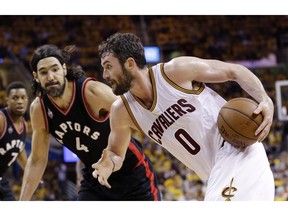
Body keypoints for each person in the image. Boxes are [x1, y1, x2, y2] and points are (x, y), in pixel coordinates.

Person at [92, 32, 275, 201]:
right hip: (215, 172)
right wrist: (110, 164)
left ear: (130, 63)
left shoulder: (174, 72)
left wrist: (265, 99)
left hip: (237, 150)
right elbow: (116, 153)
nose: (105, 75)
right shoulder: (121, 111)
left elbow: (233, 71)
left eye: (108, 66)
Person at [19, 44, 161, 201]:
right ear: (36, 76)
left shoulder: (92, 92)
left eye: (55, 69)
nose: (51, 77)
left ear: (64, 69)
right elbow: (38, 159)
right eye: (43, 72)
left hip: (132, 173)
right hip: (95, 177)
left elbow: (139, 118)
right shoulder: (39, 109)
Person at [0, 81, 29, 201]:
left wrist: (31, 174)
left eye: (23, 97)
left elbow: (20, 152)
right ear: (7, 100)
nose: (20, 101)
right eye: (15, 98)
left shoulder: (24, 125)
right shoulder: (1, 120)